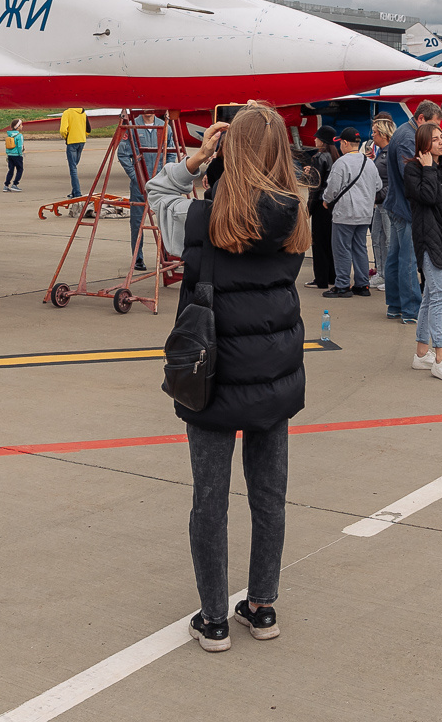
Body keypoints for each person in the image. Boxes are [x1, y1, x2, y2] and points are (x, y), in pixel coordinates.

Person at [145, 107, 307, 651]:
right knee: (270, 495)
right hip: (274, 374)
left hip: (212, 377)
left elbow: (155, 192)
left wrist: (194, 162)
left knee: (209, 498)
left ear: (229, 151)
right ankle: (262, 606)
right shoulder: (296, 218)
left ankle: (213, 618)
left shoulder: (201, 221)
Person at [403, 124, 442, 381]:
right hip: (427, 240)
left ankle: (421, 354)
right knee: (440, 293)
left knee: (431, 295)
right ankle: (440, 357)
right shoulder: (413, 169)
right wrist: (428, 167)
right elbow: (427, 197)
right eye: (435, 139)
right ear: (424, 144)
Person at [383, 101, 441, 324]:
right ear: (421, 119)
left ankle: (396, 305)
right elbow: (409, 174)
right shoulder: (409, 137)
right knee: (407, 260)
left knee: (395, 258)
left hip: (397, 204)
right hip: (405, 207)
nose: (435, 133)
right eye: (432, 126)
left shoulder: (404, 132)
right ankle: (410, 309)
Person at [321, 127, 380, 296]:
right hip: (365, 213)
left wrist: (326, 200)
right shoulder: (368, 162)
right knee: (360, 248)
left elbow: (332, 188)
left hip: (345, 213)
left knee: (342, 249)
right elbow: (378, 186)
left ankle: (342, 285)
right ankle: (362, 284)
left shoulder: (342, 162)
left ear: (345, 143)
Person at [116, 112, 164, 269]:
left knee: (165, 220)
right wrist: (136, 176)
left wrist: (165, 174)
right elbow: (122, 154)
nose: (148, 109)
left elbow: (169, 153)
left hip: (159, 183)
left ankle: (165, 254)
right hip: (139, 185)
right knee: (137, 222)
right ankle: (137, 258)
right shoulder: (132, 127)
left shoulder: (164, 127)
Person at [303, 128, 337, 289]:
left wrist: (308, 208)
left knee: (318, 244)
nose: (315, 140)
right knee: (330, 242)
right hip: (331, 205)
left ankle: (320, 279)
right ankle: (332, 275)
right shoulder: (335, 157)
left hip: (319, 204)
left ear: (322, 141)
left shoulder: (319, 157)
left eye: (317, 138)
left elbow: (314, 186)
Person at [367, 117, 395, 283]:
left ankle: (390, 276)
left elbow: (393, 180)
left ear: (383, 134)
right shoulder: (381, 153)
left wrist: (380, 195)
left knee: (389, 240)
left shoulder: (391, 153)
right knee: (377, 238)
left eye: (375, 132)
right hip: (379, 202)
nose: (372, 136)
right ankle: (382, 272)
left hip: (386, 202)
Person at [61, 105, 89, 197]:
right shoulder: (83, 112)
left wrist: (66, 137)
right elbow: (88, 129)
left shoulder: (67, 113)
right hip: (82, 141)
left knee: (73, 168)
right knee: (74, 166)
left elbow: (63, 130)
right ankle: (74, 191)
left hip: (72, 141)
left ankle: (77, 193)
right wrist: (83, 135)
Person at [2, 118, 26, 191]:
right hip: (17, 155)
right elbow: (19, 146)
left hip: (10, 155)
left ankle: (6, 185)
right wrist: (20, 153)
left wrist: (8, 154)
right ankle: (15, 184)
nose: (22, 126)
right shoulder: (19, 135)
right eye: (21, 125)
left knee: (10, 170)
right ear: (17, 127)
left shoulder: (9, 135)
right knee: (20, 169)